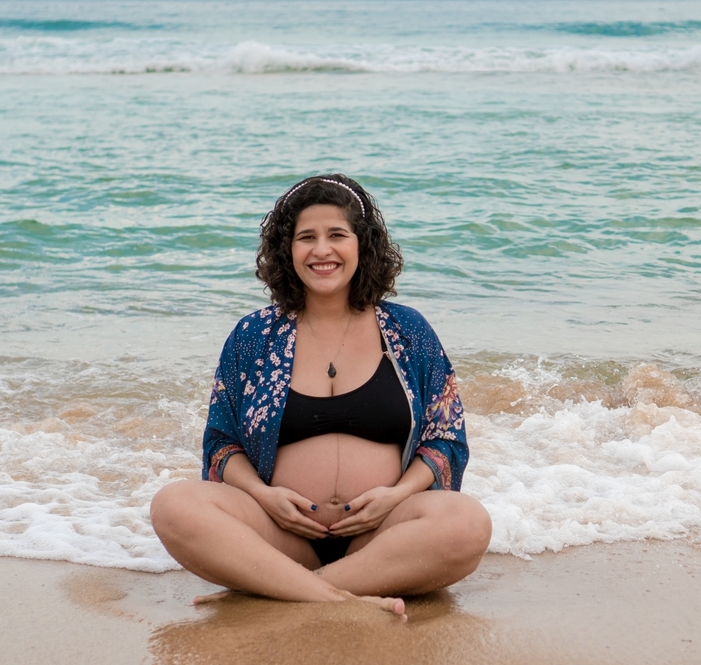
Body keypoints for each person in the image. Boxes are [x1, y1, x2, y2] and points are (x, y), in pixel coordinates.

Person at [150, 174, 491, 617]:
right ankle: (327, 595)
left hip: (385, 535)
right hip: (280, 533)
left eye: (337, 235)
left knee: (467, 523)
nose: (321, 250)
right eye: (306, 237)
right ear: (286, 250)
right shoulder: (254, 336)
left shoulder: (408, 332)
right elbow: (222, 443)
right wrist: (263, 494)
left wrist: (396, 495)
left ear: (362, 245)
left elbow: (444, 437)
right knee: (174, 505)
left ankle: (280, 590)